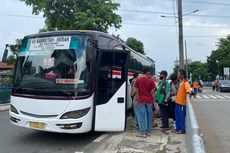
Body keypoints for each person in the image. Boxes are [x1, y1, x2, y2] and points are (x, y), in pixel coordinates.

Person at [133, 68, 156, 138]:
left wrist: (137, 99)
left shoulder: (138, 80)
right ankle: (149, 132)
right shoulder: (151, 81)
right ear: (147, 73)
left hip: (141, 100)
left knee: (142, 117)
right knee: (149, 116)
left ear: (143, 73)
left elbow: (137, 91)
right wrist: (154, 101)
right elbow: (152, 92)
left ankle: (143, 133)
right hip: (149, 100)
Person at [175, 69, 191, 134]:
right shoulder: (181, 82)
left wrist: (187, 101)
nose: (178, 75)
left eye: (179, 74)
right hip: (178, 102)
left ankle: (182, 130)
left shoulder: (185, 82)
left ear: (182, 75)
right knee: (177, 116)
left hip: (182, 103)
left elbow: (188, 91)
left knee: (181, 117)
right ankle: (178, 128)